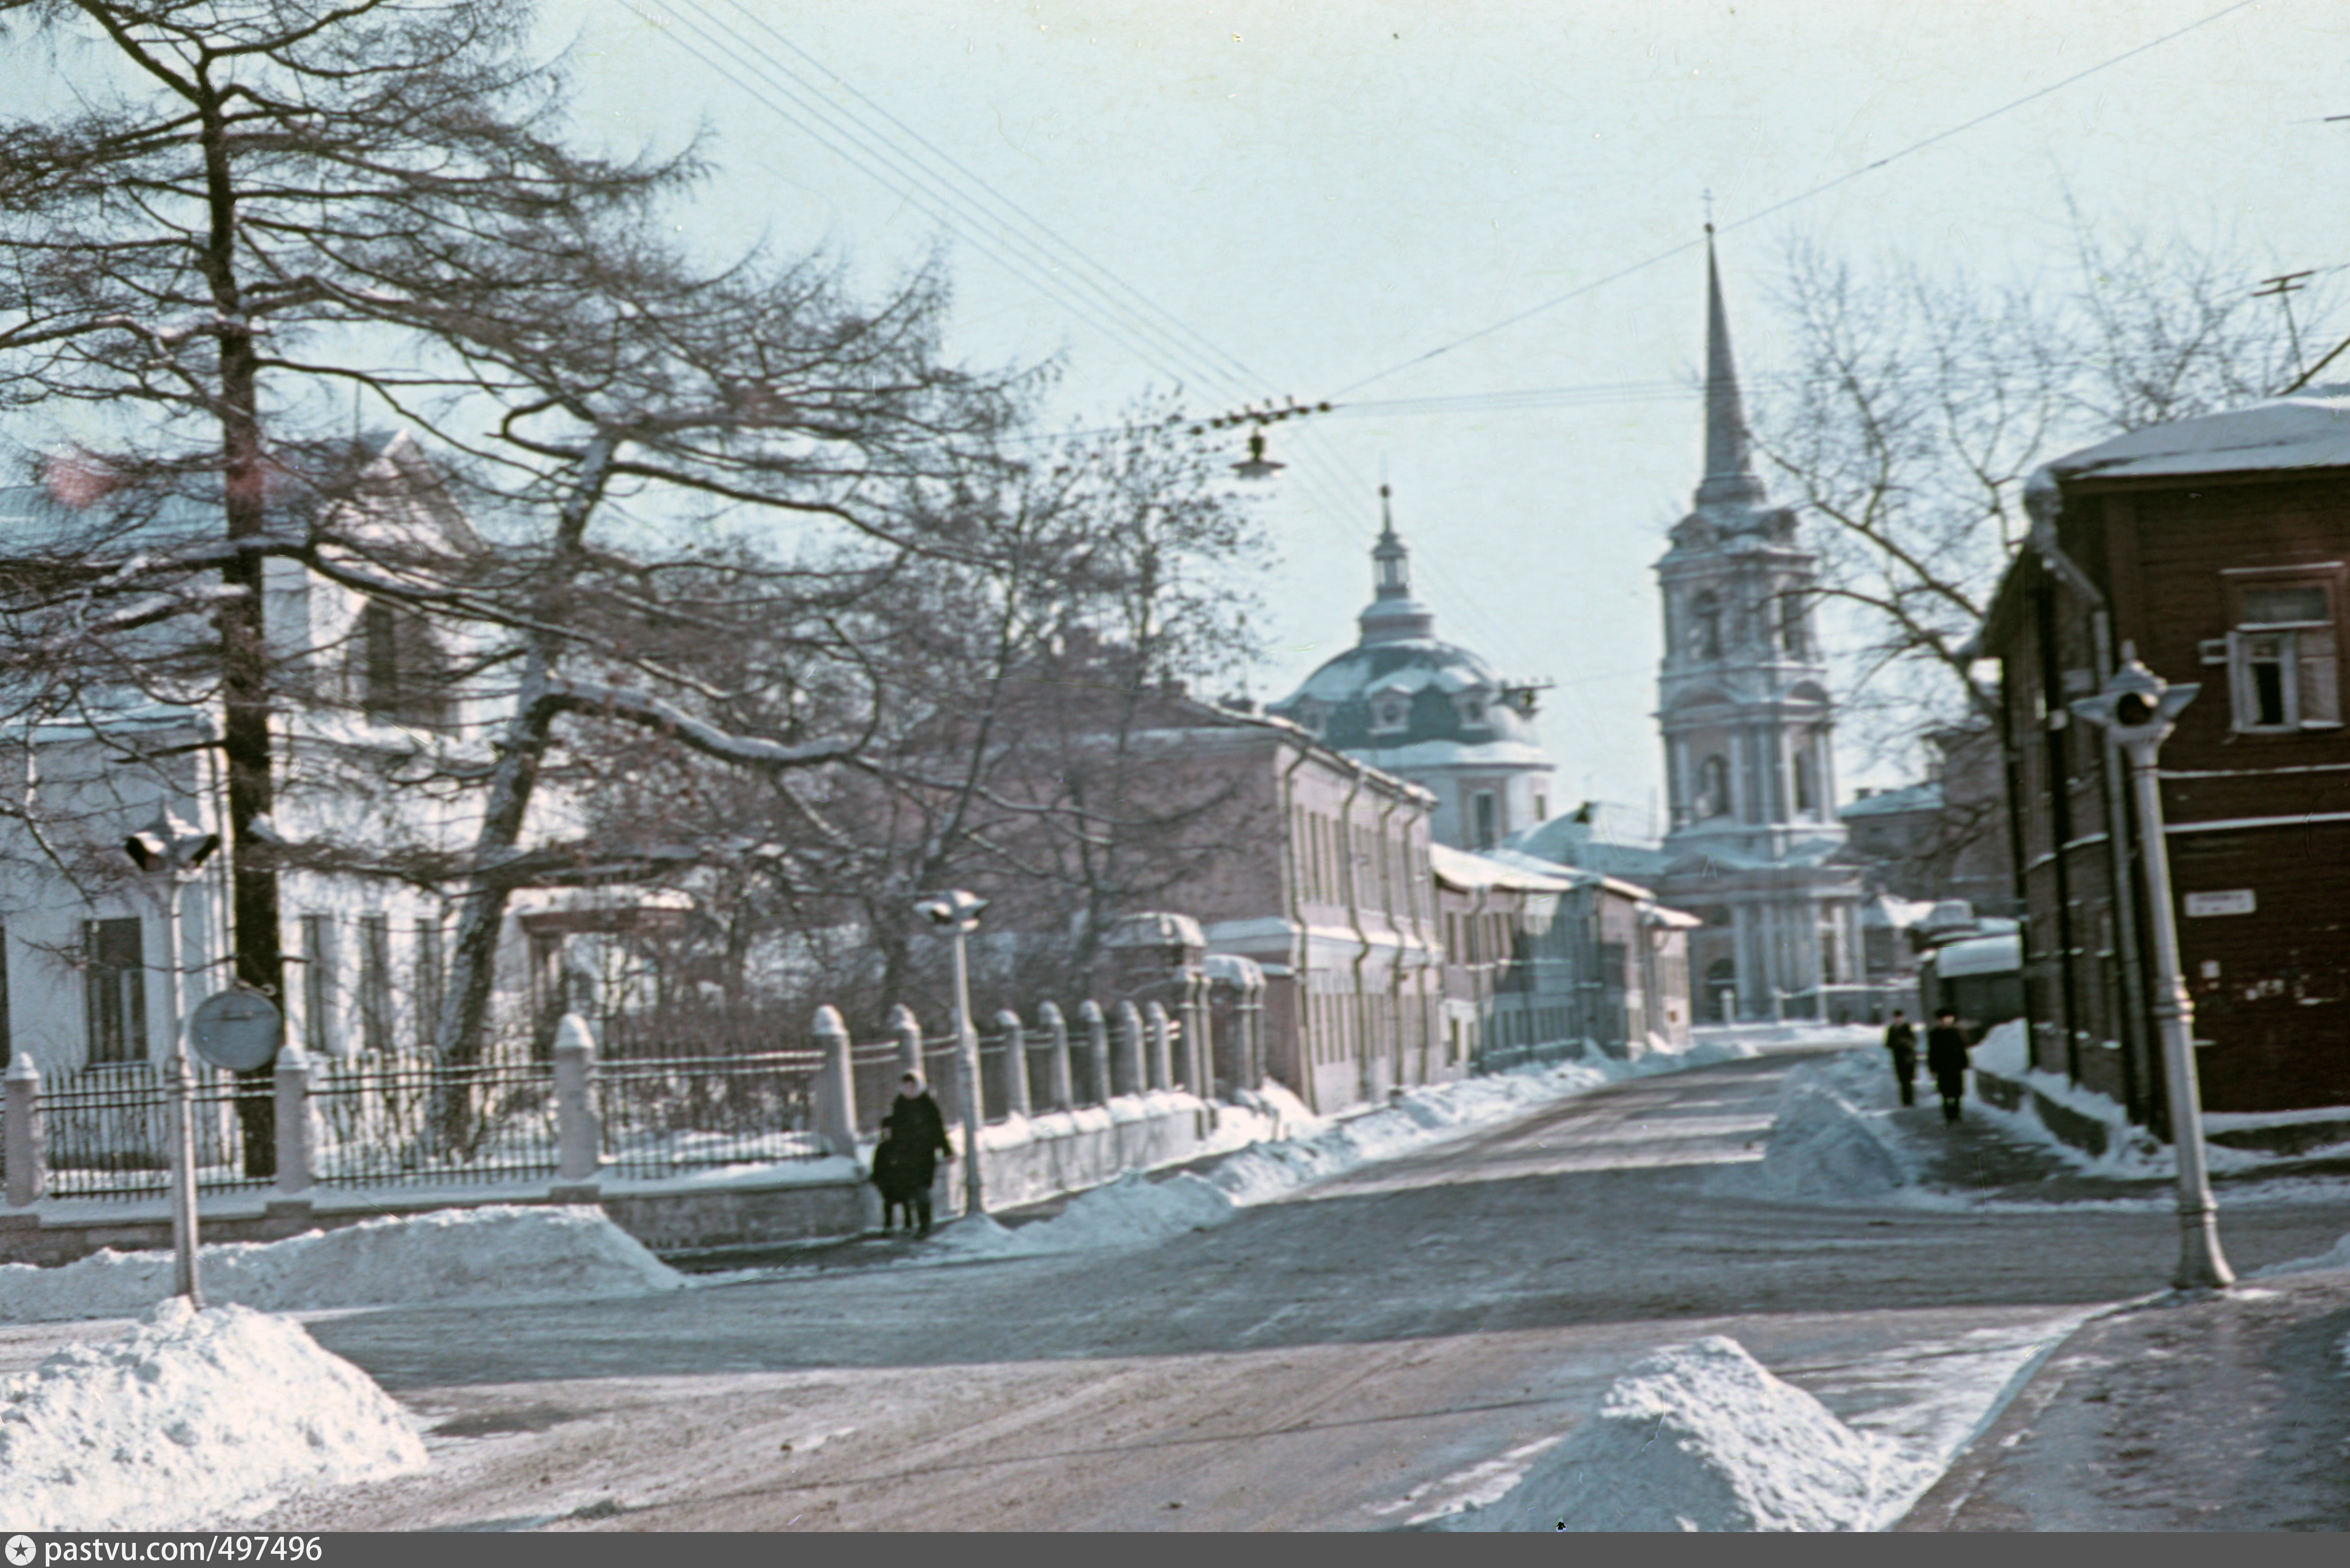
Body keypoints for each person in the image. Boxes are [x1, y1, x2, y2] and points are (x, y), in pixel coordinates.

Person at [878, 1071, 954, 1237]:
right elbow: (895, 1130)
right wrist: (893, 1153)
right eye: (906, 1087)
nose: (909, 1090)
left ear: (918, 1087)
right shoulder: (900, 1104)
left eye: (912, 1087)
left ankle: (924, 1226)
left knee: (921, 1189)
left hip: (924, 1154)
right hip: (905, 1155)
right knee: (910, 1190)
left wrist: (947, 1150)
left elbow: (937, 1129)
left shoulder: (927, 1104)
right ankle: (913, 1223)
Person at [1926, 1009, 1971, 1125]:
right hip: (1943, 1068)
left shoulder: (1957, 1032)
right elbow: (1932, 1052)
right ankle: (1949, 1115)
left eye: (1949, 1018)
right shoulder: (1935, 1034)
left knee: (1957, 1091)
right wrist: (1932, 1068)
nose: (1947, 1021)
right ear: (1939, 1021)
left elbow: (1962, 1049)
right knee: (1945, 1092)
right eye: (1945, 1019)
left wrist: (1965, 1063)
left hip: (1956, 1066)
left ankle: (1957, 1113)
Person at [1882, 1010, 1919, 1108]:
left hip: (1909, 1057)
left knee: (1909, 1079)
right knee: (1902, 1080)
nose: (1899, 1020)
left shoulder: (1907, 1027)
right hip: (1898, 1058)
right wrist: (1896, 1043)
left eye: (1901, 1017)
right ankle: (1905, 1101)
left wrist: (1905, 1042)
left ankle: (1910, 1100)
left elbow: (1914, 1041)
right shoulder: (1892, 1029)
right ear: (1894, 1018)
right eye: (1897, 1018)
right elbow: (1887, 1043)